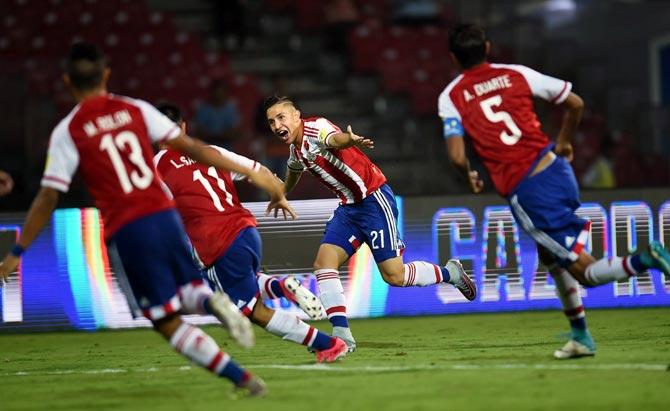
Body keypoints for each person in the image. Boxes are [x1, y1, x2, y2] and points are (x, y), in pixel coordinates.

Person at [0, 42, 296, 396]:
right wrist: (260, 176)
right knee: (190, 289)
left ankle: (241, 378)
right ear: (106, 74)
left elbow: (48, 196)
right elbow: (195, 149)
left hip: (129, 227)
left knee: (163, 318)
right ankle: (210, 302)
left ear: (67, 81)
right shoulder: (135, 108)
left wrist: (17, 252)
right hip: (166, 217)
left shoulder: (69, 130)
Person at [438, 24, 670, 359]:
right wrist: (563, 142)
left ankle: (644, 258)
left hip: (528, 189)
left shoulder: (451, 96)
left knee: (585, 272)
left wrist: (469, 175)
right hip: (557, 169)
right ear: (487, 48)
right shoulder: (516, 73)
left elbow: (457, 155)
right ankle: (580, 336)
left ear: (452, 58)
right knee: (551, 256)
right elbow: (575, 103)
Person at [265, 95, 477, 352]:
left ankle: (451, 273)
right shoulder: (295, 151)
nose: (276, 126)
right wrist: (281, 193)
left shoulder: (316, 128)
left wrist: (348, 139)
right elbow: (294, 170)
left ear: (296, 116)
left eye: (281, 118)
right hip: (349, 209)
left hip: (374, 200)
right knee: (323, 264)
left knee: (394, 276)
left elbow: (334, 139)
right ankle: (342, 335)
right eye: (271, 122)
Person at [153, 102, 346, 363]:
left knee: (251, 310)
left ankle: (328, 344)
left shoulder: (157, 166)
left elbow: (157, 214)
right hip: (246, 231)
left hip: (216, 243)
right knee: (239, 285)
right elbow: (259, 171)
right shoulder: (211, 151)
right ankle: (282, 286)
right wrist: (278, 194)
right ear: (183, 127)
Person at [194, 80, 241, 149]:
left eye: (221, 92)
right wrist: (219, 136)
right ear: (211, 93)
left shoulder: (230, 110)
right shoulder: (204, 109)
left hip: (226, 150)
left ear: (226, 93)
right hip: (206, 149)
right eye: (216, 92)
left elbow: (234, 132)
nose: (218, 95)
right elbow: (199, 132)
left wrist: (216, 136)